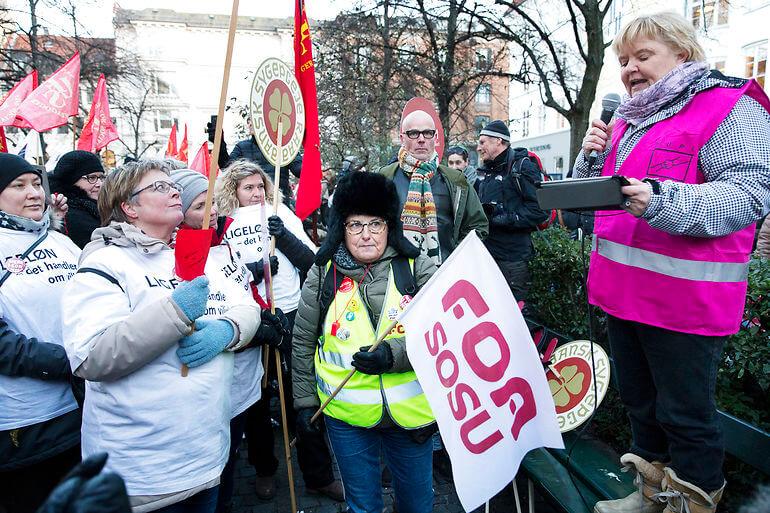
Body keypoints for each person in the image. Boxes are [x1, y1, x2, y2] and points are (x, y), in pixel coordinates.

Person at [576, 12, 770, 513]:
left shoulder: (729, 106)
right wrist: (591, 162)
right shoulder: (631, 118)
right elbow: (604, 203)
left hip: (686, 304)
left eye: (643, 56)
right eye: (624, 61)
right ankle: (649, 496)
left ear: (682, 52)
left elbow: (748, 196)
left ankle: (692, 503)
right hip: (624, 297)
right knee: (643, 409)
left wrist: (662, 201)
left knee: (686, 417)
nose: (631, 69)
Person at [62, 159, 261, 512]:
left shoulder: (198, 253)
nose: (172, 191)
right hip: (145, 474)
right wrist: (174, 313)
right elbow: (92, 356)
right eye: (158, 187)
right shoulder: (105, 263)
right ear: (128, 207)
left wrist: (228, 330)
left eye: (172, 186)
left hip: (205, 457)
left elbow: (247, 307)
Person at [292, 171, 438, 513]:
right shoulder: (323, 272)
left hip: (412, 417)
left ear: (390, 226)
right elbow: (302, 341)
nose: (367, 234)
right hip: (347, 418)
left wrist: (394, 356)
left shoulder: (418, 267)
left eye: (376, 223)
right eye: (355, 224)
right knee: (363, 506)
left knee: (419, 505)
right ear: (342, 228)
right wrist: (303, 403)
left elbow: (441, 333)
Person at [215, 160, 343, 502]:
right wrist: (255, 271)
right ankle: (264, 469)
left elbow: (311, 261)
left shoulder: (280, 213)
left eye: (260, 186)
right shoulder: (223, 224)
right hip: (251, 318)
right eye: (248, 188)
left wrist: (283, 237)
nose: (257, 193)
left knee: (300, 395)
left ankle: (317, 474)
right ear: (234, 192)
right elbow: (216, 276)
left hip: (288, 312)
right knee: (255, 401)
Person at [169, 168, 288, 513]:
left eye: (211, 205)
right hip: (208, 384)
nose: (211, 213)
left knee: (232, 454)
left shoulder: (224, 243)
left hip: (244, 378)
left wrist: (265, 317)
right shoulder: (179, 251)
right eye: (199, 207)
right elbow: (196, 317)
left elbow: (243, 291)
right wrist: (248, 333)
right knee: (212, 468)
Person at [0, 154, 82, 513]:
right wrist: (71, 361)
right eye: (19, 186)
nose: (34, 193)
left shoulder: (59, 241)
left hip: (82, 409)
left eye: (36, 183)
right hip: (28, 425)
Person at [379, 110, 488, 267]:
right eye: (414, 133)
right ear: (402, 138)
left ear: (436, 138)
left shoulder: (456, 181)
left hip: (444, 273)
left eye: (428, 133)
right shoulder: (385, 177)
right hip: (395, 271)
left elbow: (477, 226)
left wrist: (456, 257)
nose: (421, 139)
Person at [475, 120, 550, 303]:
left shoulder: (522, 167)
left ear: (499, 141)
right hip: (488, 256)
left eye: (483, 142)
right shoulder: (486, 171)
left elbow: (540, 210)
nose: (478, 147)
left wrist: (505, 218)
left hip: (513, 259)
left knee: (515, 314)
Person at [209, 117, 302, 207]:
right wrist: (219, 143)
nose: (249, 124)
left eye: (254, 119)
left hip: (277, 206)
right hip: (251, 208)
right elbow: (228, 168)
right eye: (249, 121)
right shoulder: (242, 147)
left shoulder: (284, 147)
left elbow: (300, 170)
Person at [49, 150, 106, 249]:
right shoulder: (67, 214)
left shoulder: (98, 208)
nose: (99, 184)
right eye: (92, 178)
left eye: (101, 177)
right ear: (71, 180)